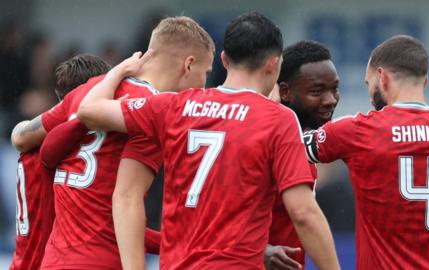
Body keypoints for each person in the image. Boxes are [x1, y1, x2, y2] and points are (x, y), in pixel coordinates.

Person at [77, 11, 340, 270]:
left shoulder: (174, 106)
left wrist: (119, 70)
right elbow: (303, 213)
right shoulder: (277, 119)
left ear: (224, 60)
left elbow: (89, 110)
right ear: (274, 64)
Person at [12, 16, 215, 270]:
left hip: (54, 261)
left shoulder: (90, 90)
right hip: (101, 261)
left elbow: (23, 139)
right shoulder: (155, 112)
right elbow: (126, 200)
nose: (205, 85)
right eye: (206, 73)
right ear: (188, 65)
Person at [304, 35, 429, 269]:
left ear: (382, 77)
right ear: (424, 81)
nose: (369, 93)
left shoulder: (359, 131)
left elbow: (288, 147)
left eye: (368, 83)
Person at [9, 54, 111, 270]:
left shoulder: (33, 142)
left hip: (22, 263)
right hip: (47, 262)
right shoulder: (68, 152)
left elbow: (19, 134)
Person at [265, 40, 340, 270]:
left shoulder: (300, 140)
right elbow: (213, 209)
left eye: (335, 88)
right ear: (285, 91)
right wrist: (257, 249)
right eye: (317, 91)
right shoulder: (265, 137)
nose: (330, 100)